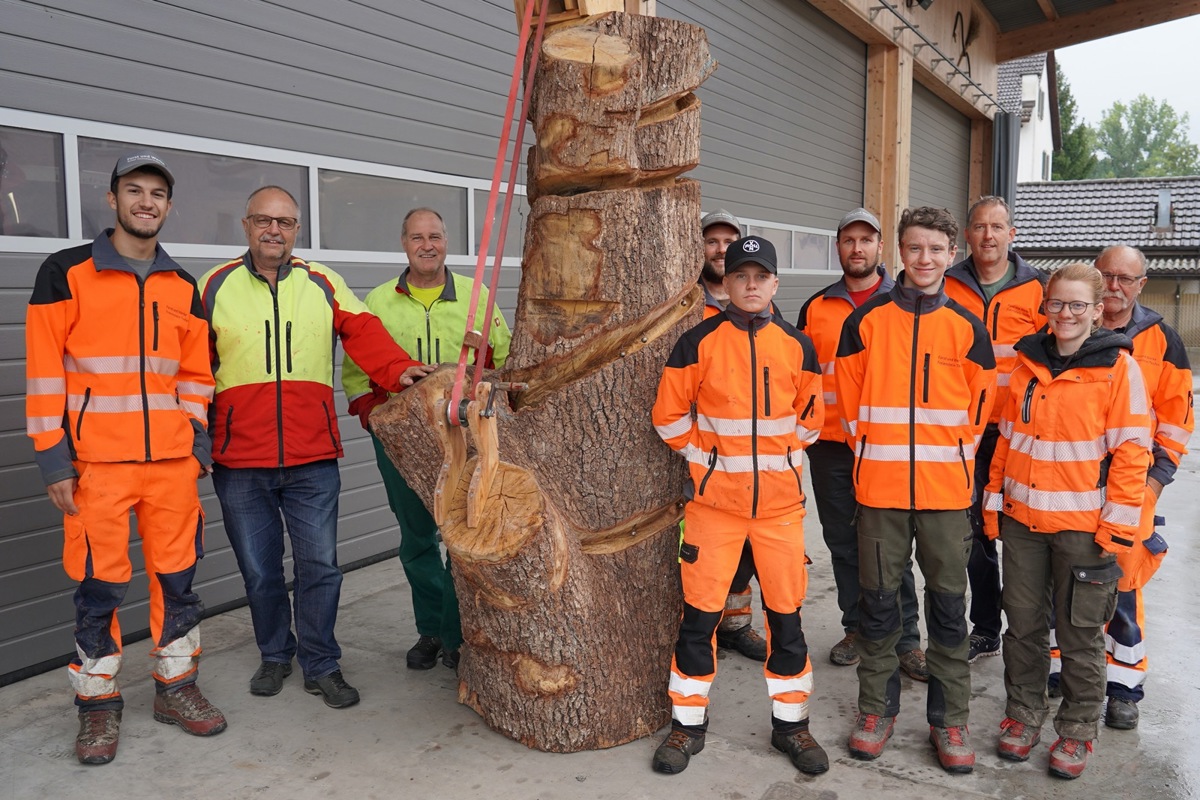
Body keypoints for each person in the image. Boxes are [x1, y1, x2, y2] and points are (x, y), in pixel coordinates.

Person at [25, 151, 225, 765]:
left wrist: (193, 446)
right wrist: (55, 461)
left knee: (179, 585)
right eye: (134, 190)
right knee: (98, 590)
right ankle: (97, 707)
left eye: (157, 193)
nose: (146, 202)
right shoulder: (66, 273)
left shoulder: (183, 287)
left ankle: (175, 687)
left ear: (168, 206)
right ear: (112, 200)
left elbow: (196, 376)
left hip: (170, 469)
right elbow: (43, 375)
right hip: (95, 471)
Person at [200, 187, 430, 708]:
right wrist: (196, 436)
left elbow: (363, 330)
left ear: (296, 229)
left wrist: (396, 371)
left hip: (312, 458)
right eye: (263, 220)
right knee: (260, 571)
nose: (273, 230)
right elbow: (191, 365)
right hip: (239, 461)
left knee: (320, 567)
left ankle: (321, 662)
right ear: (247, 225)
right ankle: (275, 654)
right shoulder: (213, 285)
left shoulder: (321, 281)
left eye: (284, 222)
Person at [650, 236, 828, 776]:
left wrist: (780, 455)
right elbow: (668, 416)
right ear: (725, 283)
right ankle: (687, 727)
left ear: (775, 284)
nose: (751, 285)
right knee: (698, 621)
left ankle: (792, 727)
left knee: (787, 622)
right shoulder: (696, 342)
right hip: (713, 510)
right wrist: (709, 459)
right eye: (740, 276)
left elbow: (812, 417)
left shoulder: (799, 346)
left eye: (761, 276)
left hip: (780, 512)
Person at [835, 206, 995, 774]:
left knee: (950, 611)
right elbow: (851, 411)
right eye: (914, 248)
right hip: (879, 491)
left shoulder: (968, 328)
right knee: (879, 608)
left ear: (952, 254)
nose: (924, 259)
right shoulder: (867, 323)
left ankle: (949, 721)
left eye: (935, 249)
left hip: (947, 497)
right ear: (899, 252)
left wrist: (948, 460)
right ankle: (875, 712)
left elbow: (979, 413)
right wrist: (879, 455)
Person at [983, 263, 1152, 779]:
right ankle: (1024, 715)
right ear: (1045, 307)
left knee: (1079, 634)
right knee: (1024, 627)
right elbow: (1007, 439)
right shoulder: (1025, 363)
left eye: (1078, 305)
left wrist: (1118, 528)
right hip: (1022, 524)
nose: (1065, 314)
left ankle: (1077, 731)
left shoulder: (1119, 369)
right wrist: (994, 504)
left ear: (1099, 312)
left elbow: (1131, 452)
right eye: (1057, 303)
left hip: (1085, 529)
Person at [342, 207, 511, 671]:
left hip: (466, 438)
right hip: (402, 442)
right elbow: (355, 375)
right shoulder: (376, 301)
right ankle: (432, 630)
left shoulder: (478, 299)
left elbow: (505, 362)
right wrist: (375, 421)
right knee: (417, 537)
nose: (426, 245)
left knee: (462, 535)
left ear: (446, 242)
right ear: (404, 243)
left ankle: (458, 635)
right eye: (417, 237)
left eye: (434, 236)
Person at [1045, 246, 1193, 730]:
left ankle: (1124, 685)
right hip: (1070, 484)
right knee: (1061, 583)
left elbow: (1175, 422)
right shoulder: (1062, 331)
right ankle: (1059, 669)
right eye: (1105, 275)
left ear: (1141, 283)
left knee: (1122, 587)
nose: (1114, 285)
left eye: (1125, 278)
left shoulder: (1161, 341)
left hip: (1129, 487)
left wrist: (1152, 483)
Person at [797, 207, 926, 681]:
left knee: (893, 545)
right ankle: (858, 629)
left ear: (880, 248)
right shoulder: (817, 308)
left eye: (866, 240)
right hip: (831, 444)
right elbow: (802, 376)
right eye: (848, 240)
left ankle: (907, 640)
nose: (857, 248)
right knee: (844, 544)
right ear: (839, 248)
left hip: (888, 444)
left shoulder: (907, 302)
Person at [944, 196, 1047, 664]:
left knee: (1027, 533)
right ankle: (985, 628)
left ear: (1013, 234)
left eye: (998, 226)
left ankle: (1035, 633)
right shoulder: (946, 286)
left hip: (1021, 435)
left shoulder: (1038, 291)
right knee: (975, 535)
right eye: (980, 226)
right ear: (966, 236)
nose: (989, 235)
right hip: (964, 432)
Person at [696, 208, 768, 662]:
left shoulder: (762, 302)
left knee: (746, 547)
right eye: (712, 241)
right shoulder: (684, 302)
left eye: (729, 241)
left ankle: (738, 624)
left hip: (753, 448)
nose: (721, 250)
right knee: (703, 543)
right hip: (705, 445)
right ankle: (703, 625)